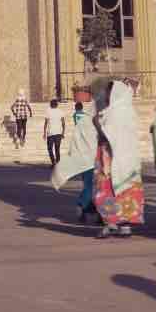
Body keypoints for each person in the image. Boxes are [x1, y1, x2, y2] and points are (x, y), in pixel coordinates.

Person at [92, 79, 144, 236]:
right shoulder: (129, 111)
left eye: (108, 92)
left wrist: (97, 123)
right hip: (128, 158)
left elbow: (107, 134)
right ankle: (126, 224)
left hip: (110, 157)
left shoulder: (113, 112)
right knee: (126, 187)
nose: (106, 96)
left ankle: (111, 222)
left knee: (107, 189)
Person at [52, 85, 101, 226]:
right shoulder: (91, 120)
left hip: (86, 158)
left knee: (91, 186)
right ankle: (85, 208)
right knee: (94, 187)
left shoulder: (86, 119)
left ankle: (90, 210)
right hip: (92, 159)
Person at [43, 97, 67, 165]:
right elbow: (63, 123)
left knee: (50, 148)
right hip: (58, 133)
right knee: (57, 148)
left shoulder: (48, 111)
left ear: (50, 104)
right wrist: (63, 132)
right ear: (57, 104)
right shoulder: (60, 111)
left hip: (50, 133)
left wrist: (44, 133)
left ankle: (53, 162)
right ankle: (58, 163)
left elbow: (46, 123)